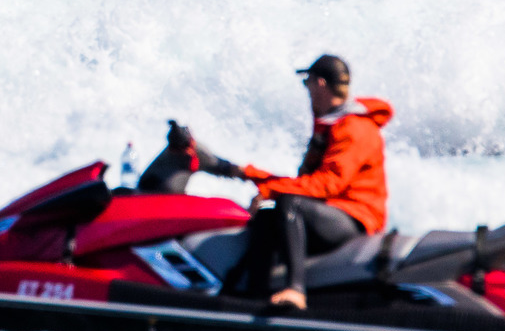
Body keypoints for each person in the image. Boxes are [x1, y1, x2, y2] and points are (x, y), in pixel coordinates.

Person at [158, 55, 393, 311]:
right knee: (267, 219)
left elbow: (327, 185)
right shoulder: (330, 126)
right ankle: (252, 296)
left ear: (321, 84)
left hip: (354, 219)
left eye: (308, 83)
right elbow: (305, 182)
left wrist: (271, 190)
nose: (307, 92)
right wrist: (244, 172)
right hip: (330, 213)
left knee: (289, 204)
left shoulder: (355, 128)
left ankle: (296, 290)